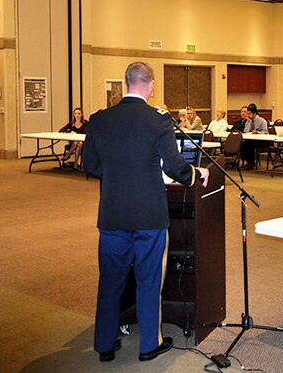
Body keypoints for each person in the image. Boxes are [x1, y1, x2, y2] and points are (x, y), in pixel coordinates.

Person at [83, 62, 210, 363]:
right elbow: (176, 168)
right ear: (150, 85)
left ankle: (104, 344)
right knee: (149, 280)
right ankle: (148, 346)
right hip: (149, 217)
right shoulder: (159, 122)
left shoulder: (100, 119)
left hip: (112, 216)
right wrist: (197, 172)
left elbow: (90, 166)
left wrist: (116, 175)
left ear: (127, 83)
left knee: (111, 280)